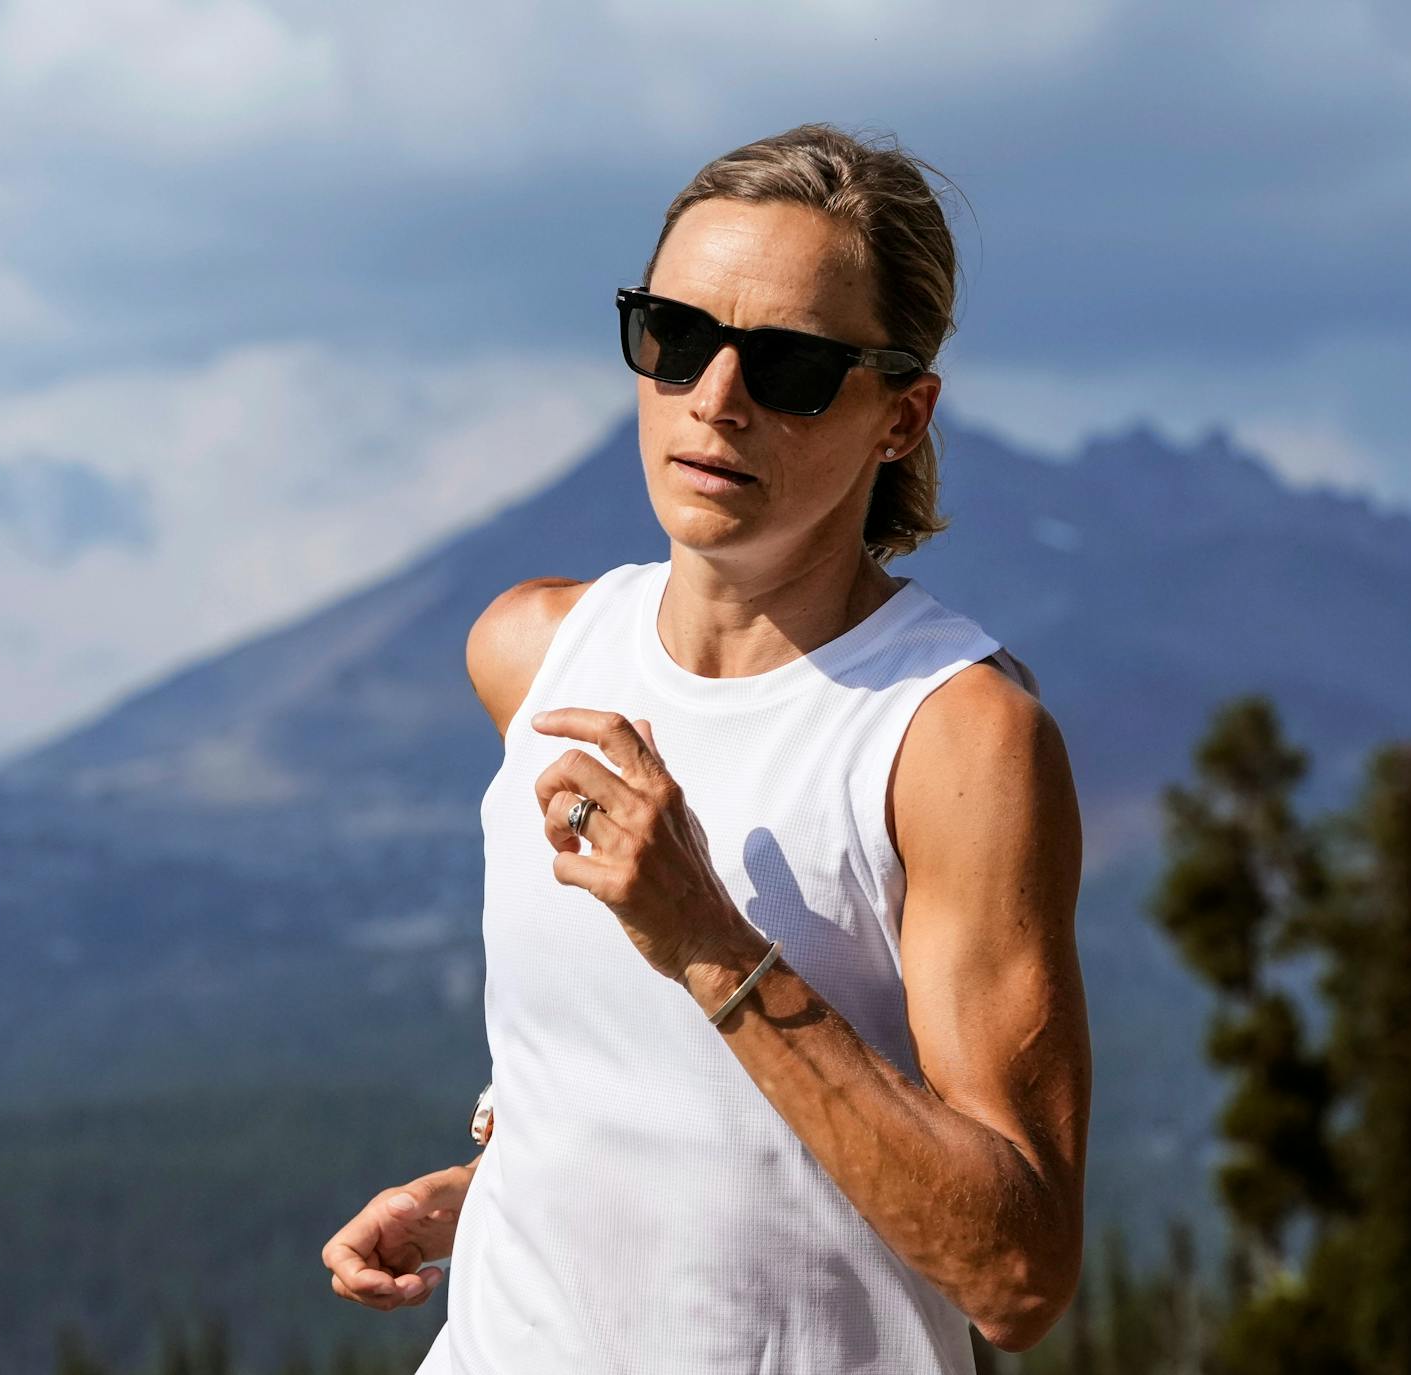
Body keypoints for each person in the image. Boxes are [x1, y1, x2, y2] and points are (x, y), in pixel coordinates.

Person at [319, 123, 1090, 1372]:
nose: (714, 397)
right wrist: (486, 1189)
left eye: (787, 366)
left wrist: (710, 944)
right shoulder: (528, 653)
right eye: (673, 337)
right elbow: (691, 1124)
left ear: (900, 415)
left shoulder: (952, 735)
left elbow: (1015, 1274)